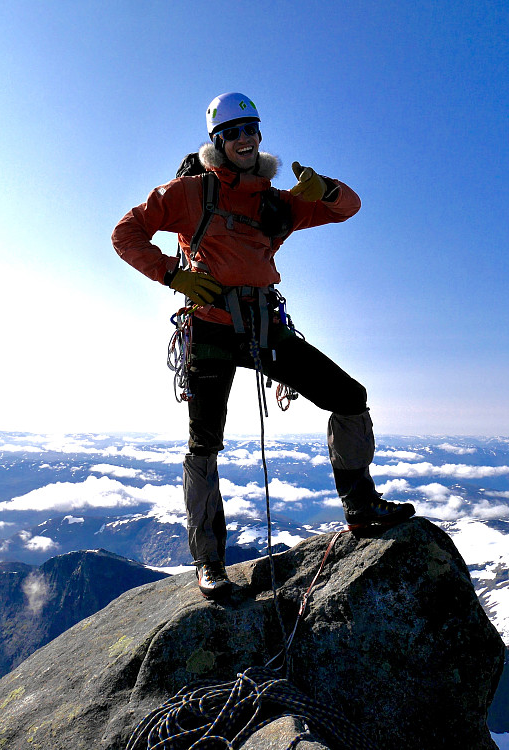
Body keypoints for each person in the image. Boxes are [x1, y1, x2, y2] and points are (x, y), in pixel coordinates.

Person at [112, 92, 414, 599]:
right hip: (209, 326)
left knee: (349, 396)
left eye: (250, 129)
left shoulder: (275, 202)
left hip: (262, 326)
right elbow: (127, 232)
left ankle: (361, 508)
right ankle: (209, 562)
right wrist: (173, 275)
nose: (244, 139)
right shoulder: (191, 193)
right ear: (217, 142)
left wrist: (327, 189)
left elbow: (349, 208)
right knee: (204, 441)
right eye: (231, 133)